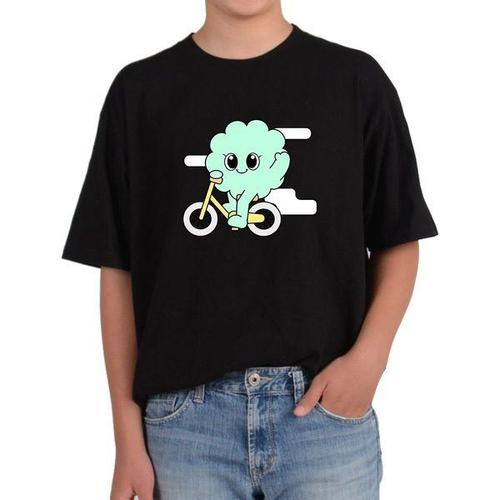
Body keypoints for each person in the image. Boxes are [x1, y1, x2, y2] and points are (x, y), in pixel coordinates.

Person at [62, 0, 437, 498]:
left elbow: (398, 239)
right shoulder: (140, 92)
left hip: (322, 416)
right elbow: (117, 270)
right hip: (184, 428)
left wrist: (369, 362)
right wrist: (125, 437)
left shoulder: (354, 81)